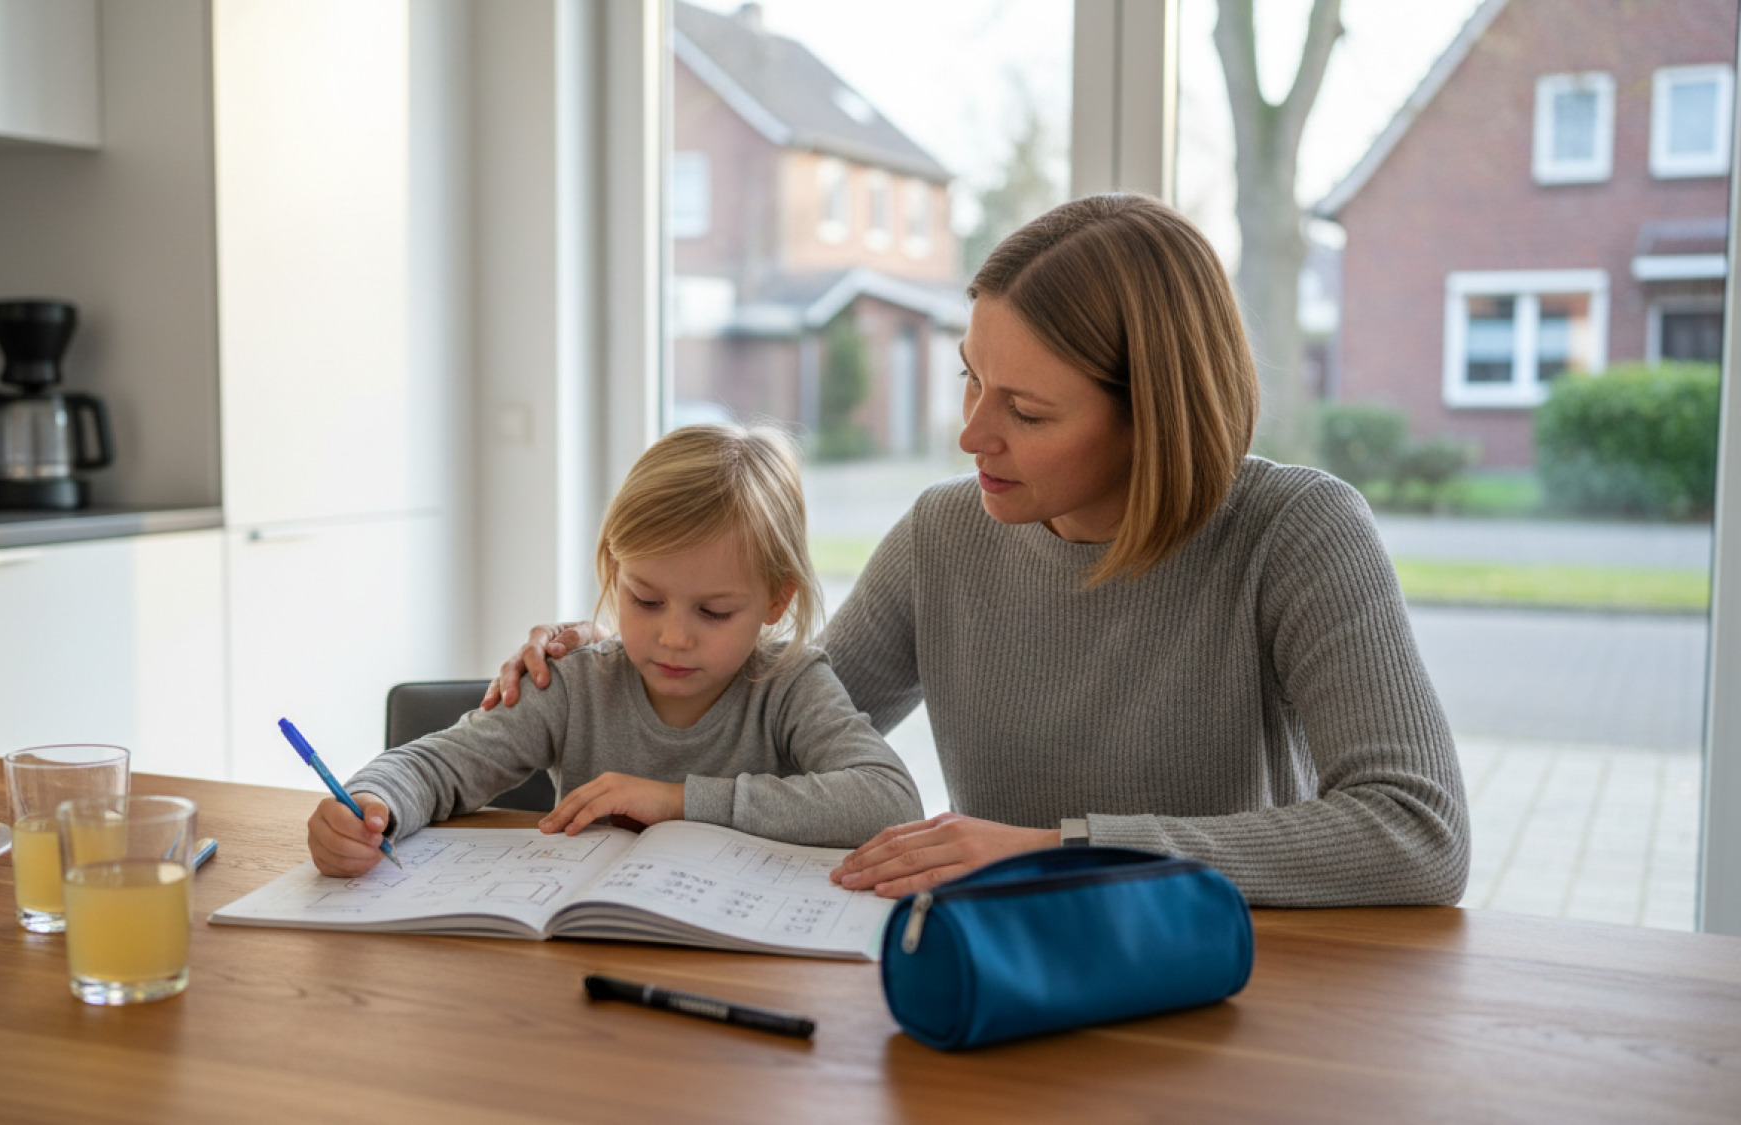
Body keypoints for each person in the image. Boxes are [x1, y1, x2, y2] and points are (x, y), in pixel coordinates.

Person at [483, 194, 1470, 908]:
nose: (970, 435)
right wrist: (614, 658)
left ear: (1153, 420)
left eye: (1025, 410)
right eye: (969, 382)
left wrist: (1053, 852)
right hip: (994, 971)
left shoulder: (1295, 531)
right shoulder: (943, 535)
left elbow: (1415, 835)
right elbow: (766, 727)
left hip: (1213, 980)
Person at [308, 423, 922, 877]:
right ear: (615, 572)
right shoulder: (575, 685)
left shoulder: (791, 685)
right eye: (646, 600)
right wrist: (371, 803)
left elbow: (887, 799)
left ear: (776, 601)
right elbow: (435, 765)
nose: (674, 637)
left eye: (714, 612)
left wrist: (677, 802)